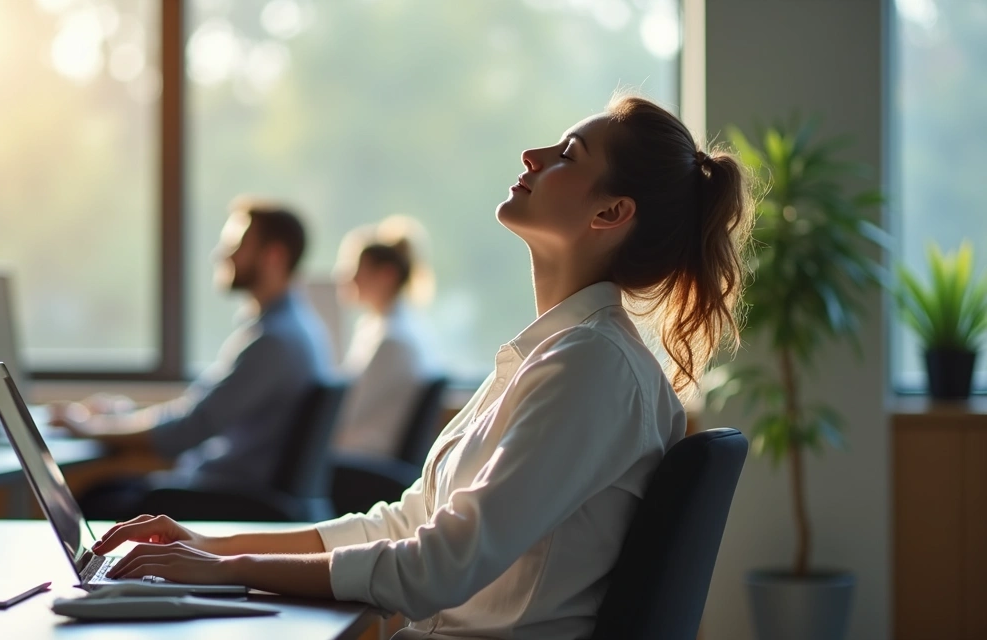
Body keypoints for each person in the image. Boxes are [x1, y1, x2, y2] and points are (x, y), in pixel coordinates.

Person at [87, 95, 753, 639]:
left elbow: (435, 568)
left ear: (610, 212)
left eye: (568, 155)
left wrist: (220, 570)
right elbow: (407, 523)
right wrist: (213, 548)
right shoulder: (550, 354)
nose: (533, 155)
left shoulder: (591, 368)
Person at [52, 198, 335, 520]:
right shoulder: (294, 326)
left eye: (237, 244)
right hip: (230, 488)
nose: (222, 254)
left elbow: (187, 430)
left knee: (97, 499)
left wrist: (91, 428)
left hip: (231, 497)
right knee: (108, 490)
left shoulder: (274, 340)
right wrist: (123, 415)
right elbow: (198, 408)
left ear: (274, 256)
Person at [333, 216, 441, 458]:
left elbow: (345, 412)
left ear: (387, 275)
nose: (347, 277)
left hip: (363, 462)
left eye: (357, 269)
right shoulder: (385, 328)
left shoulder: (392, 340)